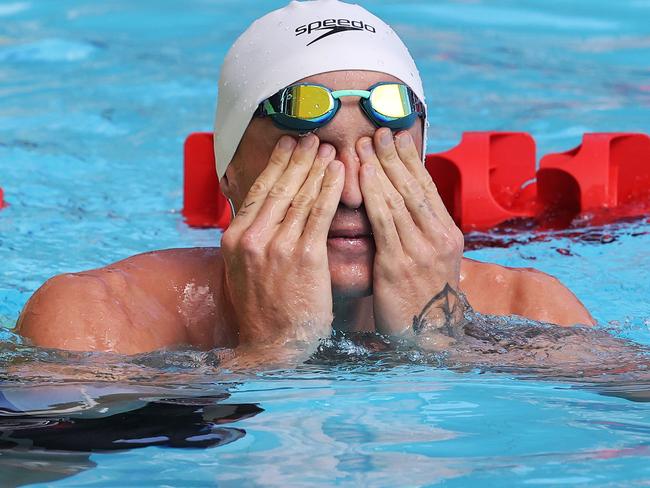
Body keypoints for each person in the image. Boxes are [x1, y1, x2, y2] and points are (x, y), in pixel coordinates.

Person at [16, 0, 594, 360]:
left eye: (382, 156)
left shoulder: (531, 307)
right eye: (312, 158)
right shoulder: (101, 318)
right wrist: (272, 354)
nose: (351, 193)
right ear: (230, 174)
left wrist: (435, 348)